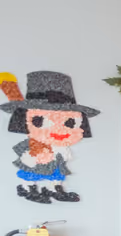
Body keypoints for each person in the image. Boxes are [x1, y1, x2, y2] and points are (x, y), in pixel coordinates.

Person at [2, 70, 98, 203]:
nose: (59, 129)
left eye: (69, 123)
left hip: (56, 157)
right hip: (38, 156)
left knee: (57, 172)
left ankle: (55, 189)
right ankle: (28, 188)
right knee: (33, 171)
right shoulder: (34, 144)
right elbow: (28, 158)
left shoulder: (61, 145)